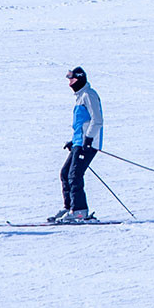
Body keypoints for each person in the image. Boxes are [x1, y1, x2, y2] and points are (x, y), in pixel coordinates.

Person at [51, 66, 103, 224]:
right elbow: (82, 123)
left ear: (79, 79)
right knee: (65, 173)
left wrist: (88, 139)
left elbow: (97, 120)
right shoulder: (80, 96)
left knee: (75, 175)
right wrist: (74, 141)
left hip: (88, 144)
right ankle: (70, 208)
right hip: (79, 143)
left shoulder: (89, 95)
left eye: (72, 79)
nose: (69, 83)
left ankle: (80, 211)